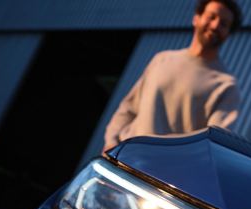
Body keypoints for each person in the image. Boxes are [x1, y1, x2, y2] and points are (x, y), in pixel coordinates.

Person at [103, 0, 242, 151]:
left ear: (228, 33)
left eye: (224, 24)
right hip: (122, 156)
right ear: (196, 18)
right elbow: (128, 108)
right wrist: (110, 142)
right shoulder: (162, 59)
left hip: (160, 171)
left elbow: (211, 144)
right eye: (211, 17)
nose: (215, 26)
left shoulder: (227, 86)